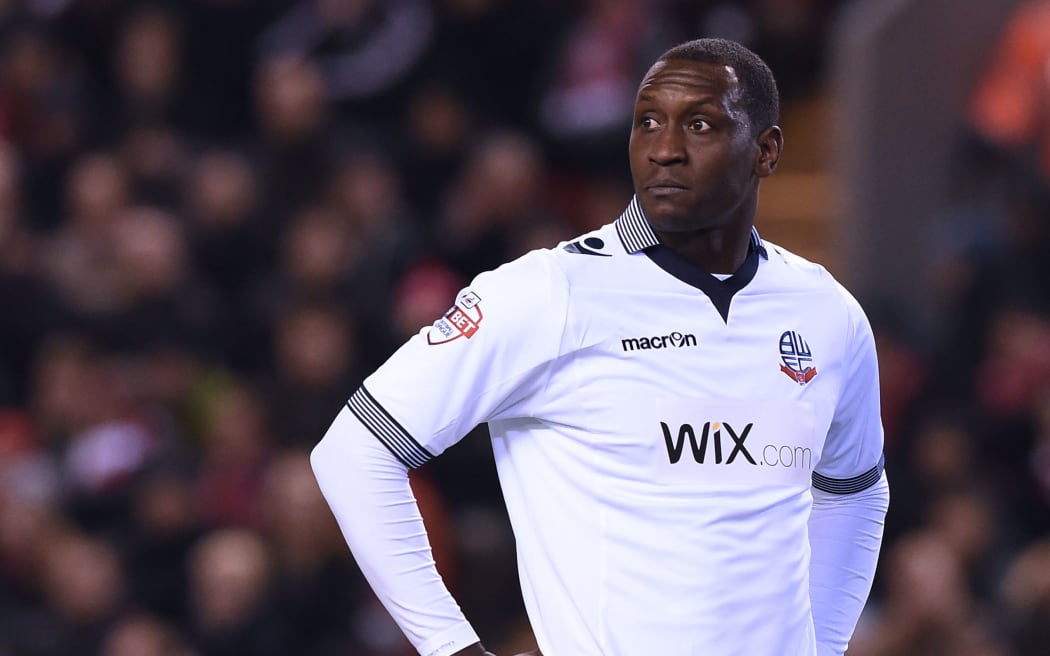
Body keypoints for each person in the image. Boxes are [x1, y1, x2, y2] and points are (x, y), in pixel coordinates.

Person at [311, 38, 889, 656]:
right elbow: (353, 454)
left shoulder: (828, 314)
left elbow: (856, 492)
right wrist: (451, 647)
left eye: (699, 124)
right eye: (647, 122)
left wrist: (820, 646)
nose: (665, 150)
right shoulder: (548, 292)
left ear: (766, 151)